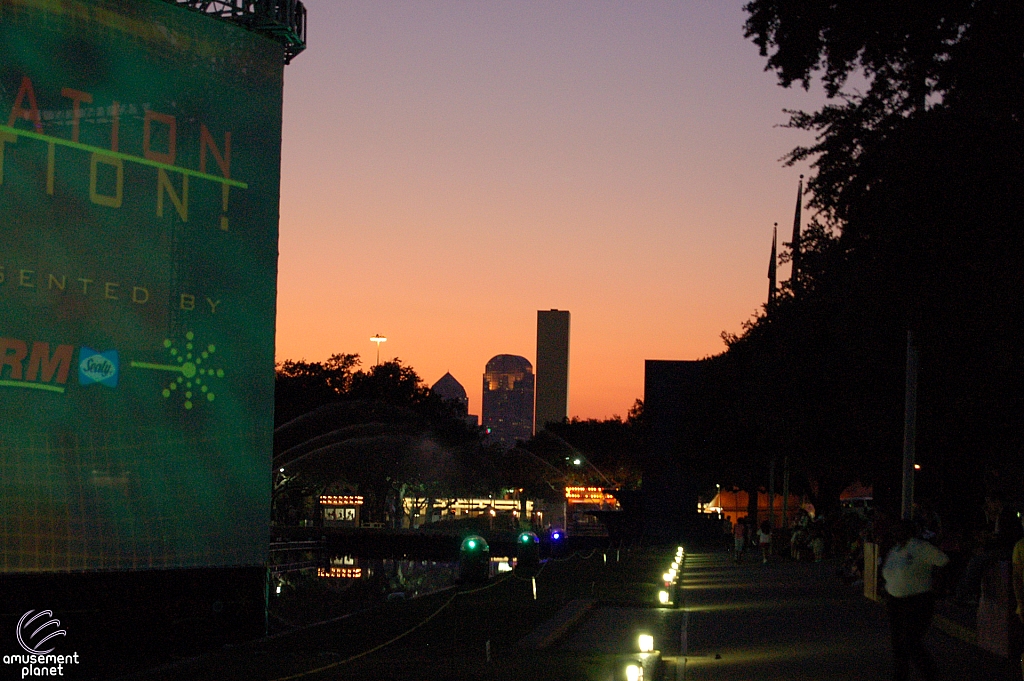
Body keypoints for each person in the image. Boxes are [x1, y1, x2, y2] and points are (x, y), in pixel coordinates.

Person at [882, 519, 949, 681]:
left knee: (911, 641)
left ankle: (930, 674)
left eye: (898, 530)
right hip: (895, 601)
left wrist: (937, 585)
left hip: (918, 601)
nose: (895, 533)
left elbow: (943, 561)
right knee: (898, 642)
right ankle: (901, 675)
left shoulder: (920, 547)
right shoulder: (895, 550)